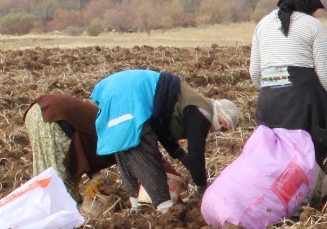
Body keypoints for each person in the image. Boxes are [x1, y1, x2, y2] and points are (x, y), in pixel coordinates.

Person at [248, 0, 327, 201]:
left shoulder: (262, 24)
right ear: (311, 5)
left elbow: (255, 73)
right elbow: (326, 75)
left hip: (269, 103)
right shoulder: (312, 26)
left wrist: (274, 90)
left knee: (278, 155)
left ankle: (278, 201)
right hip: (304, 102)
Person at [90, 69, 240, 211]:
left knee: (124, 148)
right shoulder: (202, 113)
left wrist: (180, 155)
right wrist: (202, 188)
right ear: (221, 113)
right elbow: (196, 156)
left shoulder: (188, 104)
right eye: (226, 124)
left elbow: (161, 131)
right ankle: (165, 208)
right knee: (147, 152)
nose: (222, 129)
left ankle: (135, 205)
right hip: (130, 93)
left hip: (114, 87)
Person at [25, 94, 116, 197]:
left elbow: (84, 145)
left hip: (39, 111)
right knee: (55, 183)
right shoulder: (120, 144)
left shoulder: (112, 134)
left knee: (51, 179)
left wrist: (95, 176)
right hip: (51, 117)